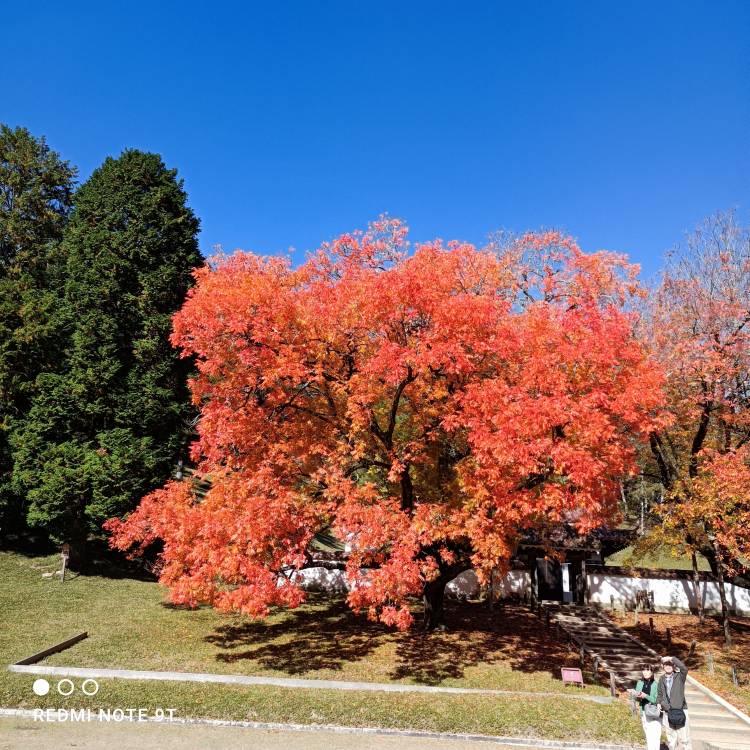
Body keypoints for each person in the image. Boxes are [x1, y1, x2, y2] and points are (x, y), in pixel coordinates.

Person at [658, 655, 692, 750]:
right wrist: (660, 703)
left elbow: (684, 668)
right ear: (662, 666)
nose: (668, 666)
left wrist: (671, 658)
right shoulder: (661, 679)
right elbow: (660, 694)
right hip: (668, 712)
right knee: (671, 738)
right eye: (666, 664)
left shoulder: (679, 676)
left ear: (674, 666)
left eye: (670, 664)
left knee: (685, 738)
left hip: (681, 711)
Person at [632, 665, 662, 750]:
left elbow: (656, 700)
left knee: (654, 736)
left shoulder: (656, 684)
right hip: (644, 711)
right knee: (648, 735)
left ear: (652, 672)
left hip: (653, 712)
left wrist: (646, 696)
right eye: (643, 670)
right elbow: (636, 698)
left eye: (648, 670)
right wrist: (636, 695)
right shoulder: (639, 683)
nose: (645, 672)